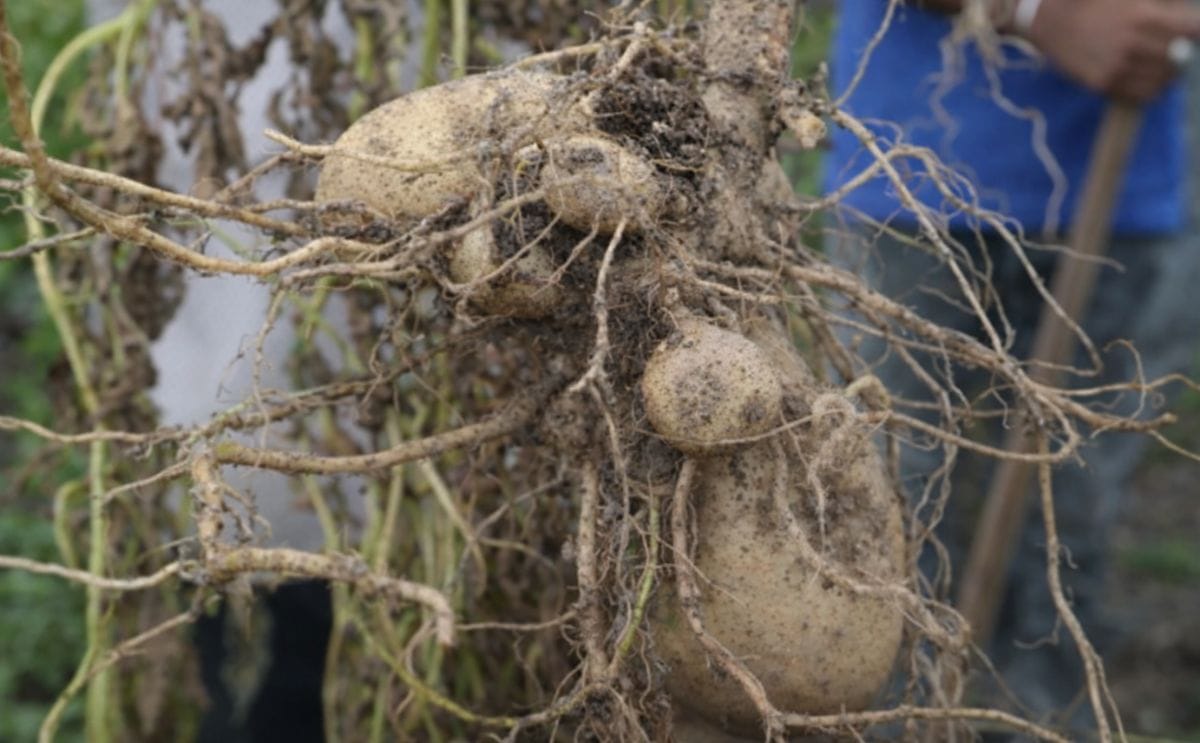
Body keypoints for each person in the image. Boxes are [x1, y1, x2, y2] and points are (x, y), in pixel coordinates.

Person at [824, 0, 1200, 727]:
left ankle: (1046, 715)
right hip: (914, 168)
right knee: (881, 519)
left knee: (1068, 532)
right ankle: (890, 720)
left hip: (1117, 172)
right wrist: (1034, 12)